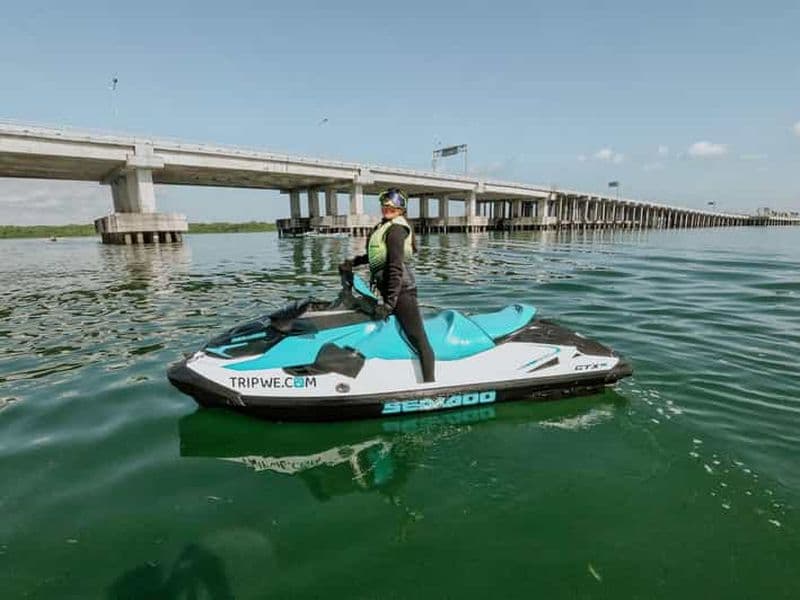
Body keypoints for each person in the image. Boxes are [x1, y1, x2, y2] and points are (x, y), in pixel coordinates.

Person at [340, 188, 436, 382]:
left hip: (402, 291)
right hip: (390, 291)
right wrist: (353, 263)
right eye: (385, 204)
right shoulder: (384, 227)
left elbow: (394, 267)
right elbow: (376, 257)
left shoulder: (396, 230)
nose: (388, 207)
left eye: (393, 204)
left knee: (417, 337)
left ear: (402, 208)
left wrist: (389, 303)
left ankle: (430, 385)